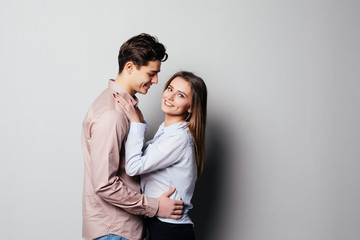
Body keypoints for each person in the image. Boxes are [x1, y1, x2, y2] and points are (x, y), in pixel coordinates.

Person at [81, 33, 184, 240]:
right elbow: (104, 184)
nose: (156, 81)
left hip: (119, 229)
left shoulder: (123, 108)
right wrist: (154, 206)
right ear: (130, 68)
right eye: (151, 73)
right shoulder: (112, 114)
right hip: (115, 232)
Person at [114, 71, 207, 240]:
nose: (170, 97)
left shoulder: (179, 138)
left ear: (192, 106)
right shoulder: (166, 131)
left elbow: (134, 167)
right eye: (170, 89)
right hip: (160, 225)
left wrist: (136, 123)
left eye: (180, 95)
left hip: (170, 230)